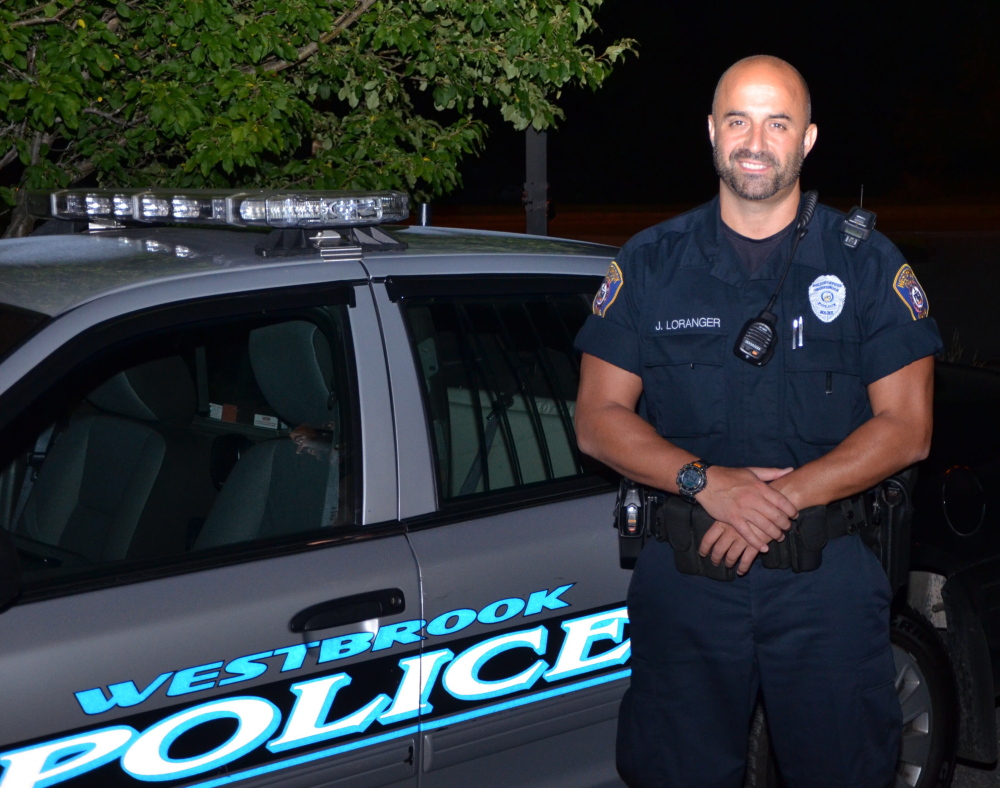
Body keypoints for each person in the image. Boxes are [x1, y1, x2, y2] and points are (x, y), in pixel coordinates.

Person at [574, 55, 943, 787]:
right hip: (687, 576)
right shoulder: (651, 263)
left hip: (829, 579)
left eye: (778, 122)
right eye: (738, 119)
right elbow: (597, 417)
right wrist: (706, 483)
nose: (755, 139)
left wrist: (782, 498)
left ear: (806, 140)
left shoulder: (867, 267)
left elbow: (907, 426)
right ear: (713, 132)